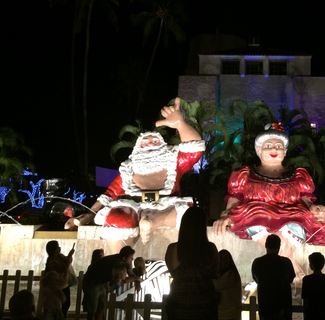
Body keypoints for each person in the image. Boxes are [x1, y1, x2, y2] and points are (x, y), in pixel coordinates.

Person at [64, 97, 205, 253]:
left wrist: (180, 124)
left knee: (186, 211)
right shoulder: (128, 169)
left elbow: (194, 151)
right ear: (137, 148)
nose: (150, 144)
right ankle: (119, 260)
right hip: (131, 205)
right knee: (116, 218)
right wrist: (89, 215)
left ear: (164, 146)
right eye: (145, 142)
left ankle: (154, 221)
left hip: (165, 205)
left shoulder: (173, 161)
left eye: (155, 142)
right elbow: (109, 194)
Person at [214, 123, 325, 279]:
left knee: (299, 223)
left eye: (279, 146)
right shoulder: (244, 175)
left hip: (292, 214)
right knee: (255, 219)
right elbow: (234, 200)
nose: (274, 150)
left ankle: (282, 262)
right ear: (258, 150)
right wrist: (225, 215)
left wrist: (319, 210)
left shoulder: (298, 176)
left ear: (285, 152)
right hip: (256, 214)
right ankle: (288, 262)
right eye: (268, 146)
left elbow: (307, 204)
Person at [165, 206, 219, 320]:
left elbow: (173, 272)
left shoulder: (172, 249)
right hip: (205, 306)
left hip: (179, 304)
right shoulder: (210, 249)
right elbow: (214, 274)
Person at [82, 246, 141, 320]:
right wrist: (137, 278)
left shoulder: (125, 261)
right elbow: (123, 279)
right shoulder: (115, 262)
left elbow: (130, 273)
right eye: (130, 258)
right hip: (92, 282)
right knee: (92, 309)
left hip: (101, 282)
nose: (132, 259)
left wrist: (137, 282)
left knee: (101, 307)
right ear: (124, 258)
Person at [251, 234, 295, 320]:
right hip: (283, 306)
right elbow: (290, 279)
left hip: (265, 305)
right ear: (279, 246)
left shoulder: (258, 262)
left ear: (266, 245)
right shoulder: (286, 262)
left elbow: (256, 279)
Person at [44, 241, 75, 318]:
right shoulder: (52, 261)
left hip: (64, 283)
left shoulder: (59, 256)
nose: (59, 248)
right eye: (57, 247)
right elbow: (64, 269)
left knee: (67, 304)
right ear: (53, 249)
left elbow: (68, 261)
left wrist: (70, 256)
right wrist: (70, 255)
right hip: (57, 285)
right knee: (57, 304)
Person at [212, 250, 242, 320]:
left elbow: (217, 285)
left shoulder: (231, 275)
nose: (223, 261)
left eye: (225, 259)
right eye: (220, 259)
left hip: (229, 314)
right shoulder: (224, 274)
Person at [301, 252, 325, 320]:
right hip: (323, 312)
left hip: (310, 313)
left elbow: (305, 298)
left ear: (312, 265)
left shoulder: (307, 279)